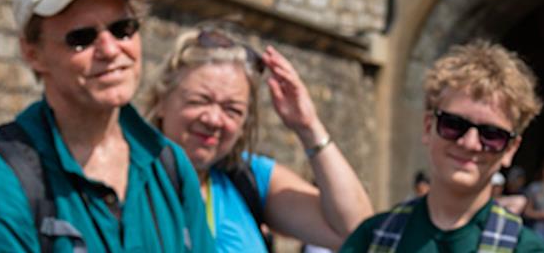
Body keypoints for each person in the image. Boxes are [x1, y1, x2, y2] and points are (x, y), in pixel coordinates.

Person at [0, 0, 213, 252]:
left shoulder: (167, 165)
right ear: (32, 53)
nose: (110, 49)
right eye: (81, 38)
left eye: (123, 29)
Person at [143, 23, 375, 250]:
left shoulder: (247, 179)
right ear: (161, 100)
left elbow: (356, 231)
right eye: (200, 100)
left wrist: (308, 127)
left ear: (245, 123)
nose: (214, 119)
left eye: (232, 109)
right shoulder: (128, 177)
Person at [338, 41, 544, 252]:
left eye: (491, 135)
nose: (469, 143)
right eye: (454, 124)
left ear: (510, 149)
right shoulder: (372, 237)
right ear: (428, 127)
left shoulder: (526, 249)